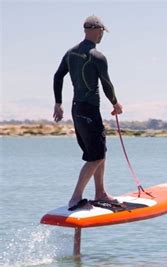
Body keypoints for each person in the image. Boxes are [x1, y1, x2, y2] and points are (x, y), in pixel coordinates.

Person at [53, 15, 123, 210]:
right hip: (89, 110)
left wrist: (58, 103)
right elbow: (107, 84)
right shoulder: (97, 56)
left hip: (77, 109)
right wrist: (116, 104)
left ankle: (100, 192)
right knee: (95, 156)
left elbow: (58, 75)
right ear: (95, 29)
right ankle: (75, 198)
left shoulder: (71, 53)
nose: (102, 35)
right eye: (102, 31)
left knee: (99, 152)